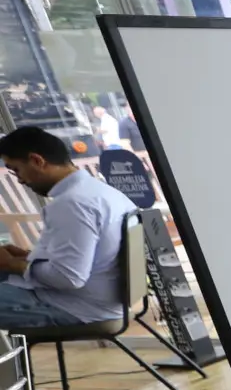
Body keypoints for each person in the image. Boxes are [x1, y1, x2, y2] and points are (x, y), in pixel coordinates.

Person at [0, 126, 136, 331]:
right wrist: (27, 258)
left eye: (16, 170)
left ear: (37, 161)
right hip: (102, 299)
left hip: (75, 306)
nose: (19, 180)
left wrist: (12, 264)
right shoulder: (102, 193)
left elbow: (68, 277)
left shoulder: (72, 204)